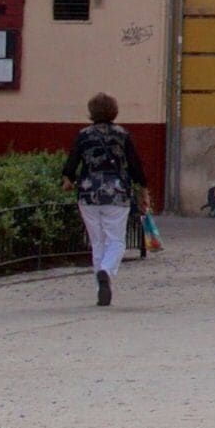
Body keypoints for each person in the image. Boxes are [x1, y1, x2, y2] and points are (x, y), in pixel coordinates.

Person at [63, 94, 142, 306]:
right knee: (116, 240)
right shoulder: (122, 135)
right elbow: (135, 165)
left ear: (91, 111)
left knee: (97, 241)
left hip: (88, 194)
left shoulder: (84, 135)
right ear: (114, 111)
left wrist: (68, 178)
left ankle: (101, 288)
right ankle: (106, 272)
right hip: (116, 193)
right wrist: (143, 188)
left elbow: (72, 162)